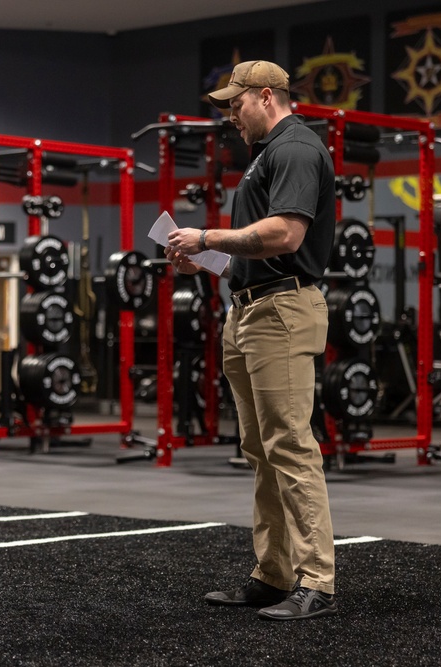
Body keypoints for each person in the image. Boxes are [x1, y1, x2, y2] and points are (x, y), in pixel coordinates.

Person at [166, 60, 337, 620]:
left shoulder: (295, 149)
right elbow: (255, 252)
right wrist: (206, 257)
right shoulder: (267, 155)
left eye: (235, 106)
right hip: (250, 312)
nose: (230, 118)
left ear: (267, 96)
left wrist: (207, 233)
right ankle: (273, 574)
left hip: (282, 312)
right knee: (262, 452)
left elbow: (286, 235)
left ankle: (317, 581)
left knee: (289, 445)